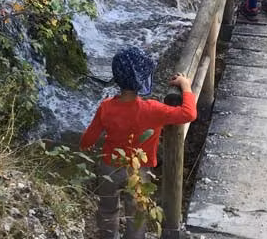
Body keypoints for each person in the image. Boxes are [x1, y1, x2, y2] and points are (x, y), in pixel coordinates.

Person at [80, 47, 196, 239]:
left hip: (109, 167)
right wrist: (186, 86)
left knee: (108, 209)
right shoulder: (153, 109)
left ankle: (109, 236)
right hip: (139, 170)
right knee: (136, 215)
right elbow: (189, 113)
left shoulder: (106, 106)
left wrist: (86, 145)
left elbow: (88, 138)